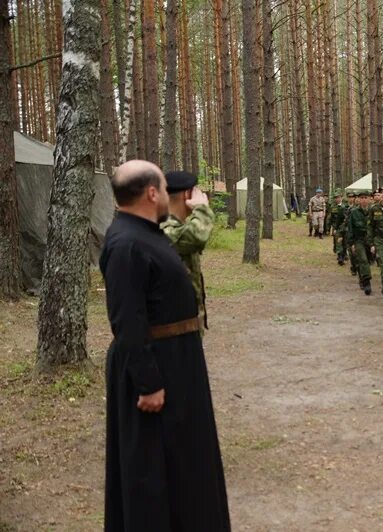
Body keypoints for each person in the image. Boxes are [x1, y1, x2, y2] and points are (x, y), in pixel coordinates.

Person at [100, 160, 230, 531]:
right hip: (158, 368)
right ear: (152, 193)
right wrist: (148, 382)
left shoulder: (145, 233)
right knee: (152, 471)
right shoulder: (127, 243)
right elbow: (127, 320)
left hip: (177, 361)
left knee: (183, 464)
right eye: (164, 185)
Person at [160, 170, 214, 335]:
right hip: (172, 330)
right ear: (187, 194)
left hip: (183, 325)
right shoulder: (164, 228)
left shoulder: (176, 226)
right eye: (196, 192)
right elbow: (198, 235)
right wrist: (202, 208)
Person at [349, 191, 373, 294]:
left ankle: (362, 278)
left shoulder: (373, 211)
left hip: (370, 241)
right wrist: (351, 244)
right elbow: (350, 228)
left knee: (366, 261)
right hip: (358, 240)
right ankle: (367, 282)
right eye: (361, 198)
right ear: (358, 200)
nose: (363, 200)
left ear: (369, 199)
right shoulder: (354, 212)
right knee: (362, 259)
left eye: (365, 198)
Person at [329, 190, 348, 264]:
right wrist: (329, 228)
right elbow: (330, 217)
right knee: (338, 241)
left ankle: (344, 254)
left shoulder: (346, 205)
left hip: (345, 226)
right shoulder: (333, 206)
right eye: (335, 198)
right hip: (336, 226)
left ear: (341, 197)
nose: (337, 199)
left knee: (345, 242)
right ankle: (340, 256)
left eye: (338, 197)